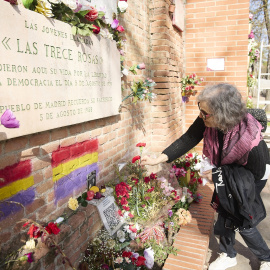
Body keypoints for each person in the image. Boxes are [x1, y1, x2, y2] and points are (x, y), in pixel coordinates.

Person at [141, 83, 270, 270]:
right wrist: (158, 159)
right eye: (200, 111)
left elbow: (255, 174)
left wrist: (221, 174)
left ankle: (266, 257)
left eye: (205, 113)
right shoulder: (208, 119)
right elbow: (188, 139)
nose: (201, 116)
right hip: (226, 173)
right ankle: (228, 254)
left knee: (242, 219)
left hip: (252, 177)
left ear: (222, 113)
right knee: (225, 212)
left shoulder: (251, 139)